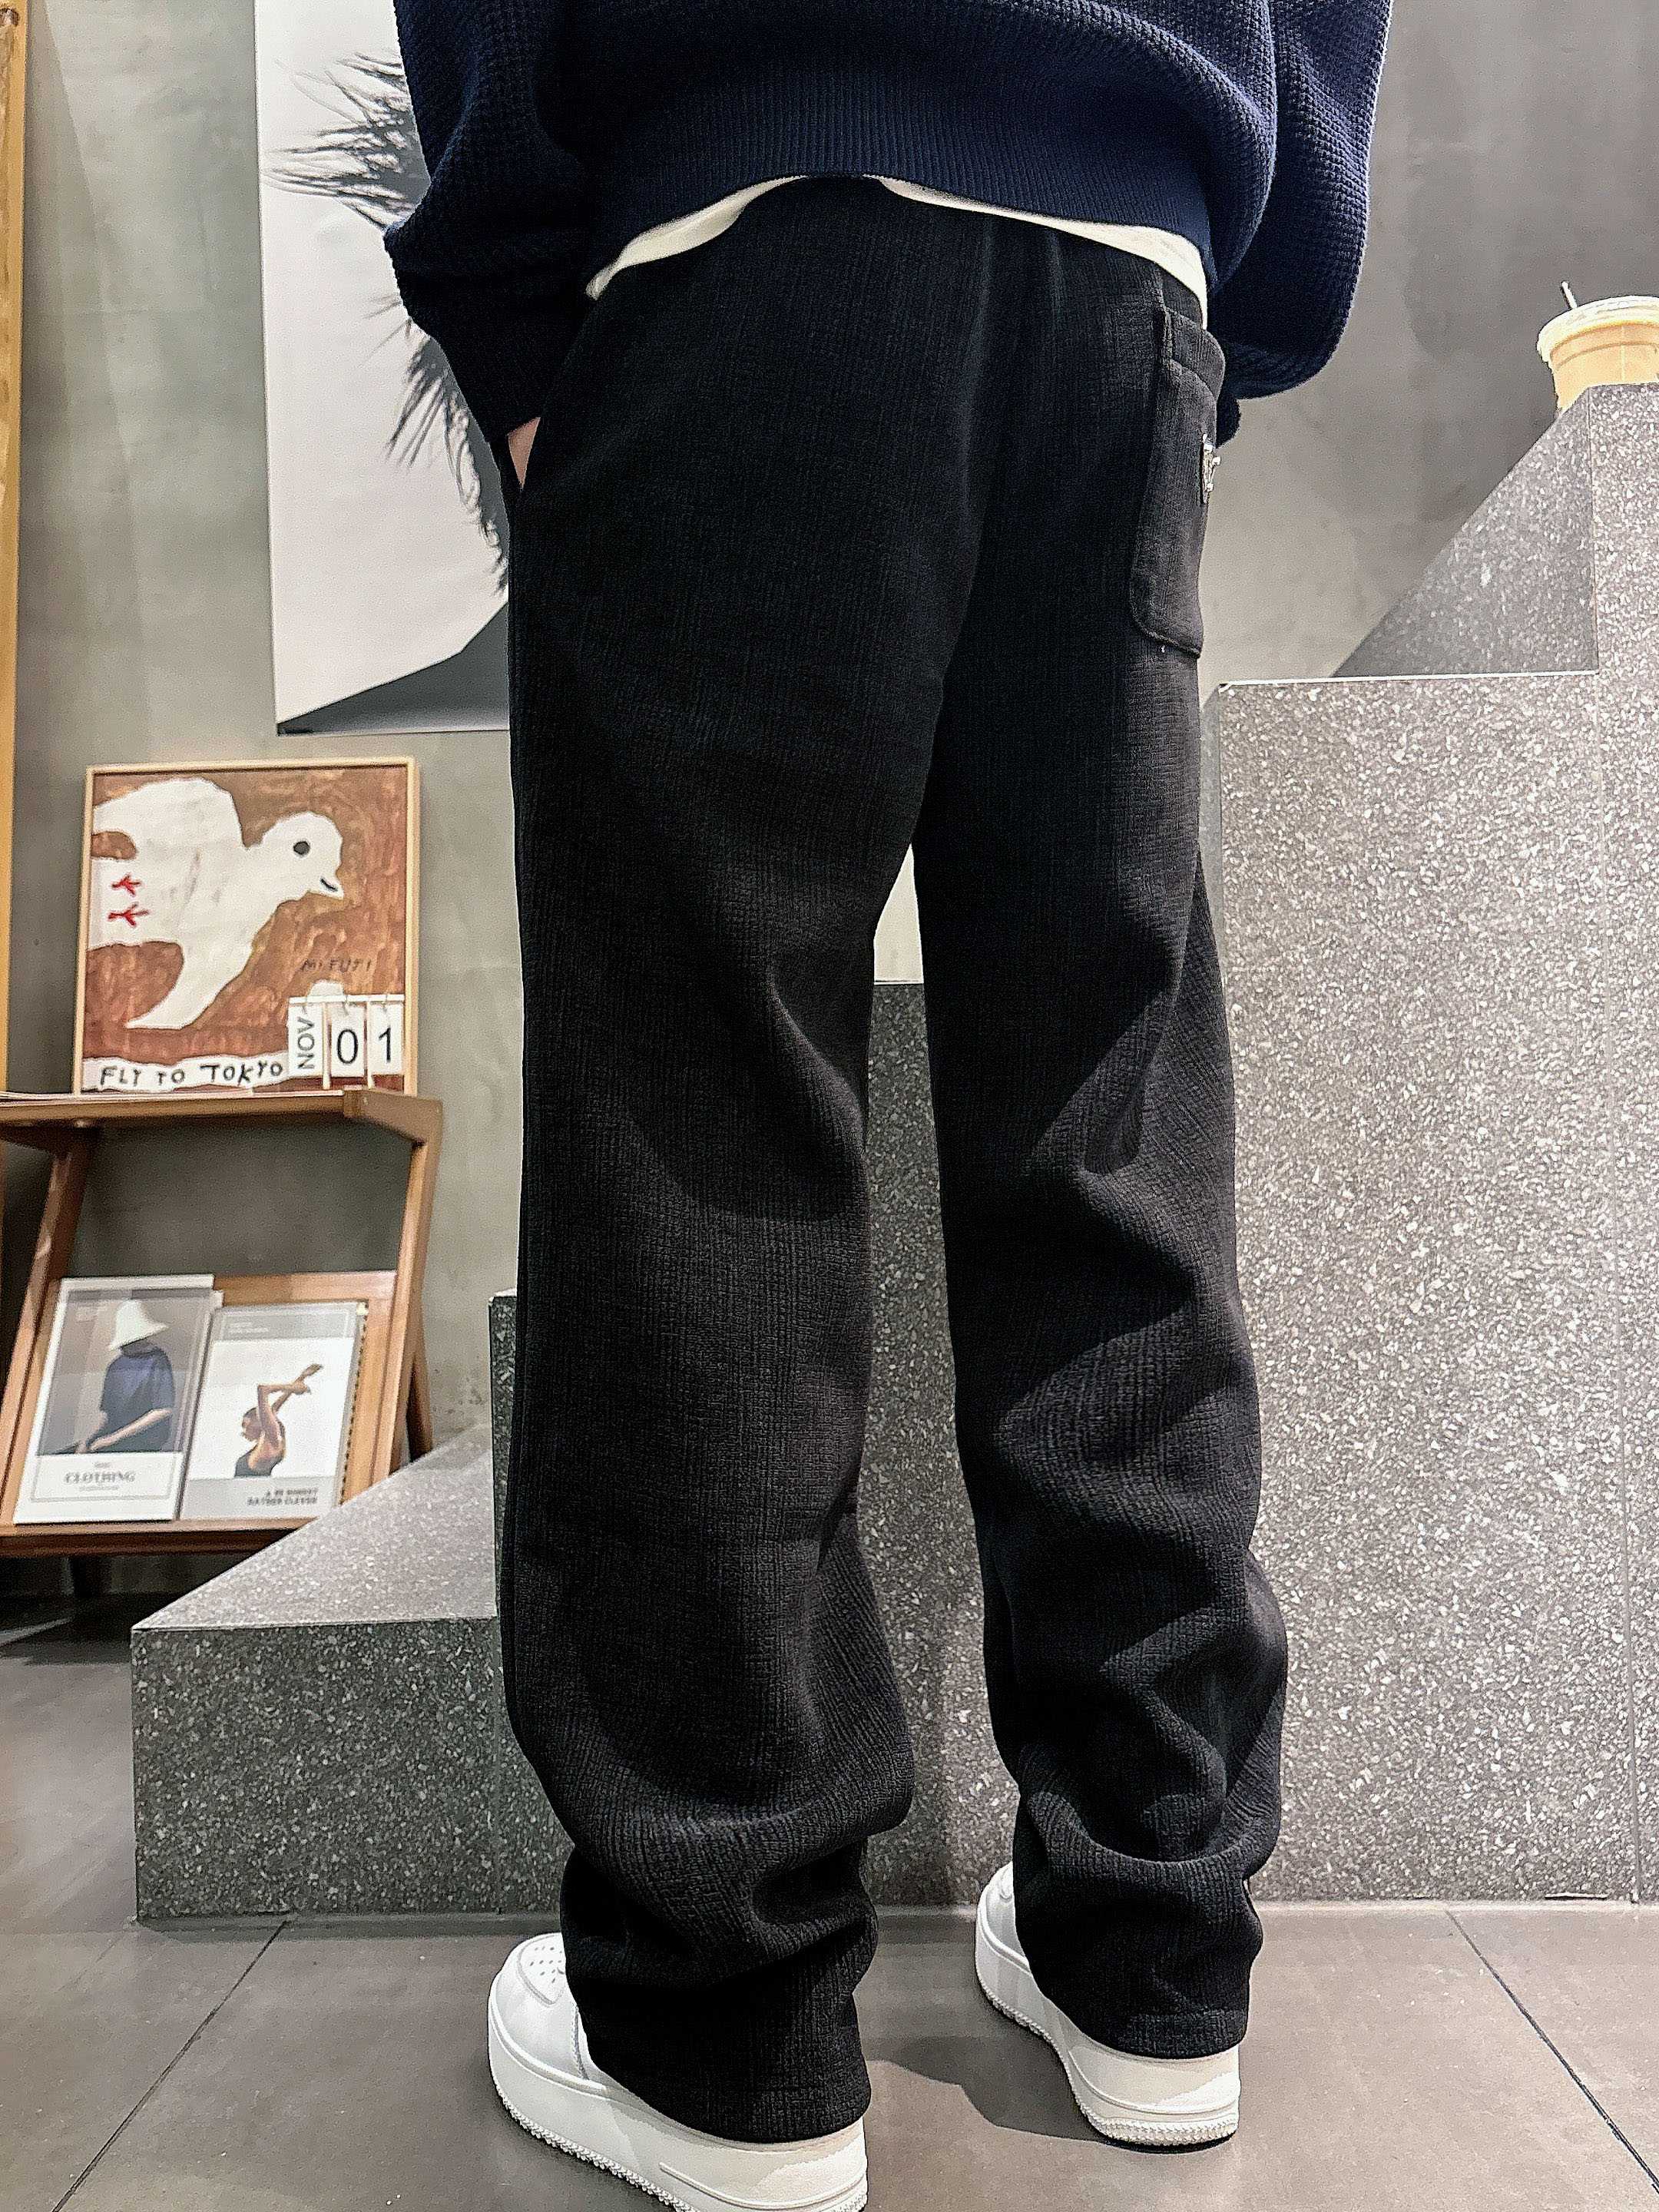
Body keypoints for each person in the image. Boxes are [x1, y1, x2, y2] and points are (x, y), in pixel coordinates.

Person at [386, 7, 1391, 2207]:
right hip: (1127, 263)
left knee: (705, 1136)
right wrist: (1222, 259)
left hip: (743, 213)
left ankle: (722, 2026)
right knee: (1104, 1135)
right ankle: (1152, 1951)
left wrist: (508, 298)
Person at [232, 1363, 323, 1480]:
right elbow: (273, 1409)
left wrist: (293, 1388)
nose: (243, 1431)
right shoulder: (267, 1441)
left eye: (245, 1425)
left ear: (260, 1422)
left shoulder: (271, 1441)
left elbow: (263, 1390)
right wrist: (301, 1377)